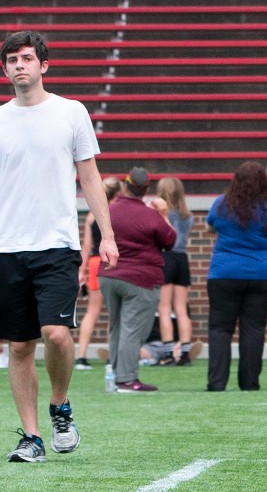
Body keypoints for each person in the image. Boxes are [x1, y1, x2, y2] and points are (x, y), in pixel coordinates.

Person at [0, 29, 119, 464]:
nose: (19, 66)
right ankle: (31, 437)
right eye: (12, 60)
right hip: (9, 247)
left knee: (56, 333)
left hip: (57, 244)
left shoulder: (71, 112)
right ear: (6, 68)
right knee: (19, 345)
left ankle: (60, 405)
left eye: (27, 58)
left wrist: (106, 234)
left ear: (43, 65)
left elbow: (89, 176)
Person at [205, 161, 267, 391]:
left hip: (224, 273)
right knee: (254, 329)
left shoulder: (221, 204)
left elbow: (211, 227)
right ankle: (249, 382)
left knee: (220, 328)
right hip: (262, 273)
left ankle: (217, 382)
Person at [99, 167, 175, 393]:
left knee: (117, 327)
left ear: (125, 185)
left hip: (109, 275)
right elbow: (170, 240)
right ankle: (126, 379)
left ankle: (114, 376)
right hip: (140, 278)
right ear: (146, 189)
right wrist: (163, 214)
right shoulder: (150, 215)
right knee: (132, 329)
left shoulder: (108, 210)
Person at [75, 176, 120, 371]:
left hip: (94, 262)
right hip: (110, 261)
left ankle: (81, 356)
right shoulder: (115, 213)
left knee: (92, 311)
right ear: (118, 194)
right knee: (115, 312)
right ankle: (114, 355)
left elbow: (86, 246)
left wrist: (81, 271)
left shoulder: (93, 214)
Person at [153, 176, 194, 366]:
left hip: (165, 257)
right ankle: (185, 352)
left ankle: (168, 352)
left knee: (164, 309)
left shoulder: (158, 214)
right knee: (181, 309)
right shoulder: (188, 216)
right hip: (182, 258)